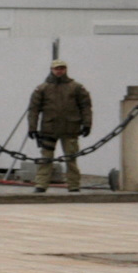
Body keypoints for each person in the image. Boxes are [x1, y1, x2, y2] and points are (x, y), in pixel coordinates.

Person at [28, 59, 94, 193]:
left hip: (70, 128)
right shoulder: (42, 88)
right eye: (57, 68)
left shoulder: (76, 87)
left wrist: (87, 124)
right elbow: (34, 110)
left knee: (71, 159)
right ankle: (41, 184)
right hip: (49, 129)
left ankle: (74, 185)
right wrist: (32, 128)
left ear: (66, 70)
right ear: (52, 70)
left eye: (62, 68)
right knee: (45, 159)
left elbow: (85, 107)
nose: (59, 71)